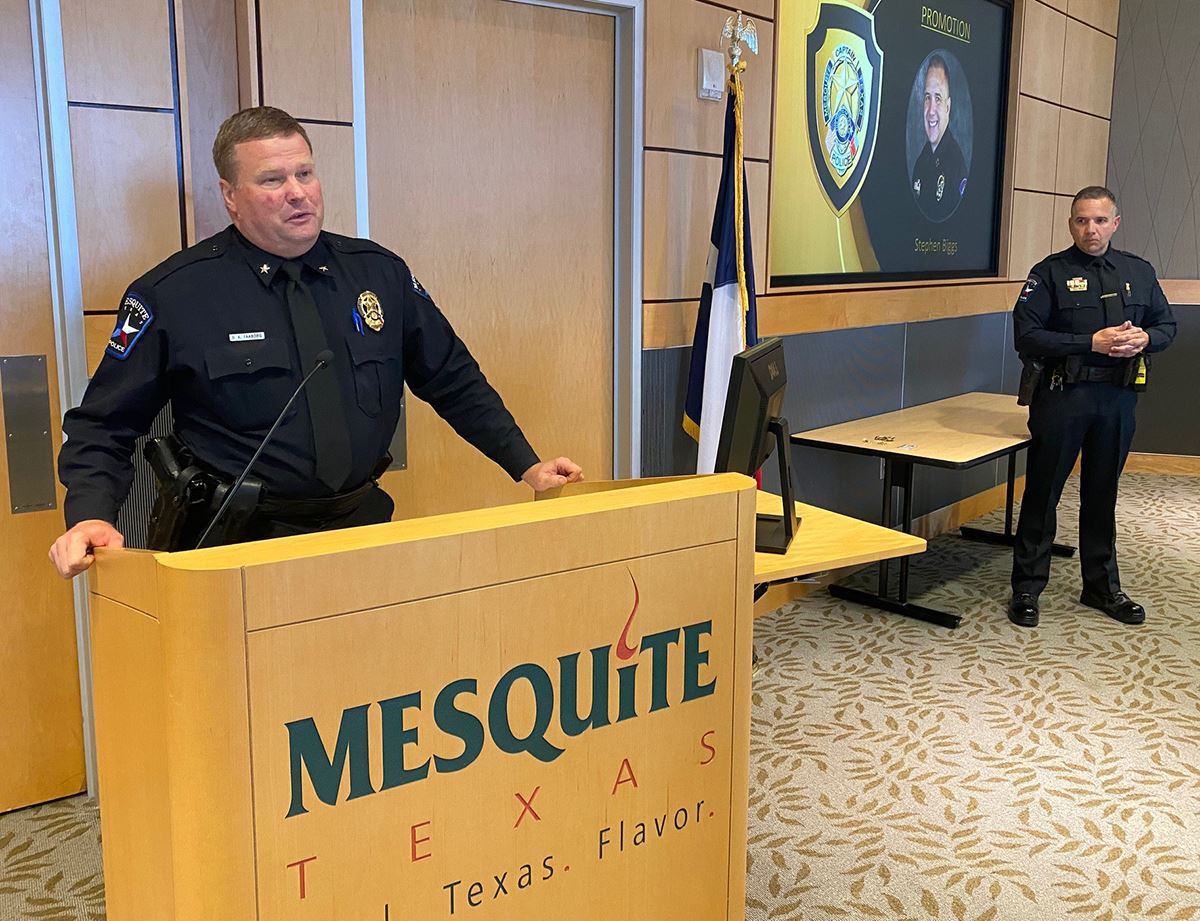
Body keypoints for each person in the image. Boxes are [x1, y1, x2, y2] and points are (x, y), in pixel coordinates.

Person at [49, 106, 582, 579]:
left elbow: (453, 379)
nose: (297, 192)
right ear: (230, 196)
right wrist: (91, 515)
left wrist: (526, 464)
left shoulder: (378, 274)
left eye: (305, 172)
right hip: (237, 545)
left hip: (362, 531)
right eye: (272, 179)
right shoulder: (174, 294)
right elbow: (104, 424)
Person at [1008, 186, 1176, 627]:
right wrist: (1089, 342)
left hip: (1117, 399)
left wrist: (1146, 339)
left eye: (1100, 220)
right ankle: (1027, 587)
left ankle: (1101, 587)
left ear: (1115, 223)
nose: (1091, 229)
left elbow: (1166, 325)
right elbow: (1026, 336)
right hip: (1064, 395)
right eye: (1082, 220)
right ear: (1071, 224)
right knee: (1043, 493)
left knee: (1102, 494)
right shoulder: (1049, 273)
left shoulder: (1138, 272)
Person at [911, 54, 967, 222]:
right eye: (927, 98)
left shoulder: (956, 166)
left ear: (948, 107)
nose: (931, 110)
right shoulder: (921, 162)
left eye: (938, 98)